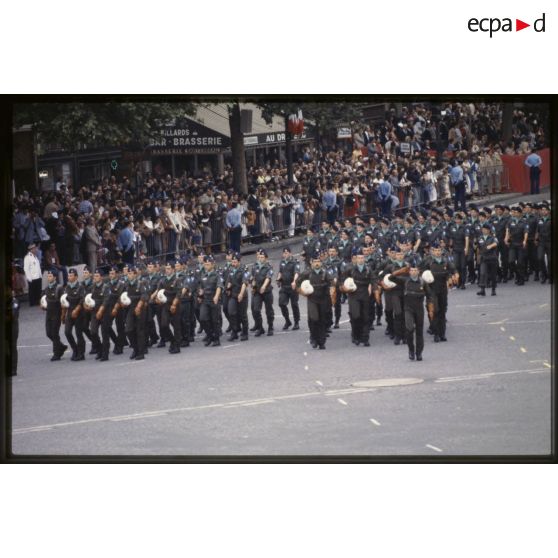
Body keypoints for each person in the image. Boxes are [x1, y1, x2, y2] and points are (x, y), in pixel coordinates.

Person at [384, 258, 432, 361]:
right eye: (411, 270)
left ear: (418, 271)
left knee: (419, 332)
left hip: (419, 309)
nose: (414, 272)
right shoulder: (404, 281)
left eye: (415, 270)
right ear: (409, 271)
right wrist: (400, 271)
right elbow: (391, 278)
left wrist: (431, 309)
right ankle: (411, 350)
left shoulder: (423, 282)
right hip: (408, 309)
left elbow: (430, 296)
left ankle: (419, 353)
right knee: (409, 330)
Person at [296, 252, 336, 350]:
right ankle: (313, 337)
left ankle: (321, 342)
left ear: (321, 263)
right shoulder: (307, 273)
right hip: (312, 299)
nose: (317, 263)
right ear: (312, 263)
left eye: (318, 261)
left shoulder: (325, 273)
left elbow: (332, 283)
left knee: (322, 320)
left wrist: (332, 290)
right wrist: (302, 292)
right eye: (315, 262)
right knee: (314, 319)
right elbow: (297, 283)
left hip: (323, 299)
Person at [421, 243, 457, 343]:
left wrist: (451, 276)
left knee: (442, 311)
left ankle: (442, 334)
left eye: (438, 250)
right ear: (432, 251)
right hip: (432, 289)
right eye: (435, 250)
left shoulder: (445, 261)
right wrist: (424, 280)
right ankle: (436, 334)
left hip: (442, 289)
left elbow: (451, 270)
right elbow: (420, 271)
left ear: (441, 251)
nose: (437, 252)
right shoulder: (427, 261)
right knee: (435, 310)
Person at [341, 249, 374, 347]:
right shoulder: (350, 269)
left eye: (362, 258)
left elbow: (374, 280)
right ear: (355, 259)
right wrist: (344, 287)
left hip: (364, 294)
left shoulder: (368, 269)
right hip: (353, 295)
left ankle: (365, 338)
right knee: (355, 316)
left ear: (364, 258)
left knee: (365, 317)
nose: (360, 260)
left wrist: (374, 289)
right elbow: (341, 279)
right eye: (358, 258)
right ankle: (356, 336)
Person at [97, 266, 123, 362]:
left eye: (113, 274)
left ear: (116, 274)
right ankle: (117, 342)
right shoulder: (107, 285)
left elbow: (121, 297)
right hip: (109, 308)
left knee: (120, 327)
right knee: (107, 327)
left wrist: (116, 307)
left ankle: (119, 346)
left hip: (119, 308)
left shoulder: (120, 284)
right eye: (110, 274)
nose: (111, 275)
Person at [41, 269, 68, 361]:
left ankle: (57, 354)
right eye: (48, 276)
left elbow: (63, 302)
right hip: (48, 313)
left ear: (55, 277)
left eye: (50, 276)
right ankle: (61, 347)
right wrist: (42, 305)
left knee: (54, 334)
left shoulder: (59, 288)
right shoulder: (46, 288)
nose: (49, 278)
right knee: (48, 333)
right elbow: (42, 300)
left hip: (57, 313)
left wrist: (63, 315)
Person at [124, 266, 149, 360]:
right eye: (128, 273)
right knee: (128, 330)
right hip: (130, 309)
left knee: (139, 331)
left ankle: (140, 352)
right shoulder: (126, 284)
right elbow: (122, 296)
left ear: (135, 274)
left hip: (140, 309)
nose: (129, 275)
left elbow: (144, 295)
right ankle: (135, 348)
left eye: (131, 273)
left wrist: (139, 305)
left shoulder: (140, 283)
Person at [157, 262, 182, 354]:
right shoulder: (162, 280)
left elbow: (179, 293)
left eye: (169, 268)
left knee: (176, 326)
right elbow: (159, 292)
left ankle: (177, 346)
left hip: (175, 304)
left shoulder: (177, 279)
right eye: (166, 268)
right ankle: (172, 341)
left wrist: (174, 304)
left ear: (173, 269)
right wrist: (158, 299)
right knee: (164, 325)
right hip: (165, 305)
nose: (167, 270)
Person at [62, 267, 86, 361]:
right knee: (67, 332)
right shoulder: (67, 287)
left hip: (79, 312)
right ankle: (75, 349)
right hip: (69, 311)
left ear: (76, 277)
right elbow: (64, 300)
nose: (69, 277)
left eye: (71, 275)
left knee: (78, 333)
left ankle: (81, 353)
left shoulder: (80, 287)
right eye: (68, 275)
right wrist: (63, 314)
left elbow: (82, 300)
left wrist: (76, 310)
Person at [226, 252, 250, 341]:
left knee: (242, 315)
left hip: (242, 295)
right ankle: (234, 331)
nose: (233, 263)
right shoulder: (231, 269)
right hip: (233, 295)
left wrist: (241, 294)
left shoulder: (244, 269)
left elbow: (244, 282)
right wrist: (228, 289)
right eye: (233, 262)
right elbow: (229, 281)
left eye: (235, 262)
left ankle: (245, 333)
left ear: (239, 262)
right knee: (231, 312)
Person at [250, 249, 274, 337]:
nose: (260, 258)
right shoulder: (255, 266)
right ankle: (260, 328)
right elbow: (253, 278)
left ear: (266, 258)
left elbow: (268, 277)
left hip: (267, 291)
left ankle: (270, 327)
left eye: (262, 257)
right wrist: (253, 286)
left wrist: (264, 286)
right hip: (257, 292)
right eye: (259, 257)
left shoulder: (269, 266)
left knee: (269, 310)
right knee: (256, 310)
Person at [277, 247, 300, 330]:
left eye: (287, 253)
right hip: (284, 286)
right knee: (281, 303)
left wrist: (294, 281)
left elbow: (297, 272)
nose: (285, 254)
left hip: (292, 286)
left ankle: (296, 322)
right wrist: (278, 279)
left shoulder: (295, 262)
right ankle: (287, 320)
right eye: (284, 253)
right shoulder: (282, 262)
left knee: (294, 305)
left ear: (290, 253)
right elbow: (280, 272)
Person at [505, 206, 529, 285]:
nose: (513, 213)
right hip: (512, 244)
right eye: (513, 212)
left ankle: (521, 278)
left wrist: (525, 241)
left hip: (520, 244)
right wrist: (506, 238)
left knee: (520, 263)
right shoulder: (510, 221)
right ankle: (518, 275)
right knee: (511, 261)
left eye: (515, 212)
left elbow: (526, 232)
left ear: (519, 213)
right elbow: (508, 231)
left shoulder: (524, 222)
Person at [476, 223, 499, 296]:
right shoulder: (479, 238)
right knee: (482, 273)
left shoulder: (492, 237)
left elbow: (496, 243)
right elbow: (478, 248)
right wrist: (478, 256)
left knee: (493, 275)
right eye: (483, 229)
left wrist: (490, 246)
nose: (484, 231)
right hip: (484, 258)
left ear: (489, 230)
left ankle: (493, 289)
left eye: (485, 229)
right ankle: (482, 289)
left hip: (492, 258)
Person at [535, 203, 552, 284]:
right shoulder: (540, 220)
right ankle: (544, 275)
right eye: (542, 210)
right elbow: (537, 231)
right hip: (541, 242)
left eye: (545, 210)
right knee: (540, 258)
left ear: (548, 211)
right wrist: (536, 239)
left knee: (550, 260)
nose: (543, 211)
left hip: (550, 242)